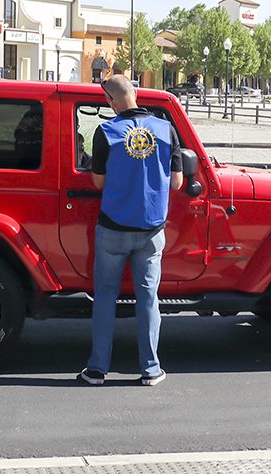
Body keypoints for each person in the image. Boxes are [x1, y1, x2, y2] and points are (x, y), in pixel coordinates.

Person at [78, 75, 183, 387]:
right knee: (148, 299)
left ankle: (97, 369)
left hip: (112, 229)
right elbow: (177, 182)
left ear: (111, 102)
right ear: (135, 96)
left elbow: (97, 182)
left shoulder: (106, 131)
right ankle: (151, 369)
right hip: (151, 231)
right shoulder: (166, 130)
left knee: (106, 297)